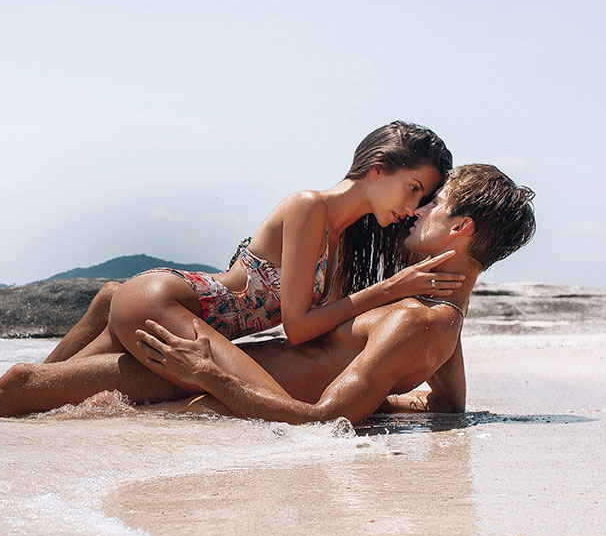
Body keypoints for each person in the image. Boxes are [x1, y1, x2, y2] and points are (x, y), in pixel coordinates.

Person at [0, 164, 535, 425]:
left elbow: (323, 423)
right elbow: (448, 407)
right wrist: (387, 398)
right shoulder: (442, 319)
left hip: (204, 379)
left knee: (32, 385)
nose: (418, 211)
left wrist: (214, 377)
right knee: (40, 387)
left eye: (433, 207)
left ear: (459, 227)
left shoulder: (418, 318)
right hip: (210, 370)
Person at [57, 121, 460, 394]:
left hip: (187, 318)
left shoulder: (345, 238)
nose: (413, 207)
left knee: (46, 392)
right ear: (378, 168)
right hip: (164, 302)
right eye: (412, 188)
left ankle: (0, 429)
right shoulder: (309, 206)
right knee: (271, 402)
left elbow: (321, 330)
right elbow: (298, 327)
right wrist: (390, 288)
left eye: (422, 198)